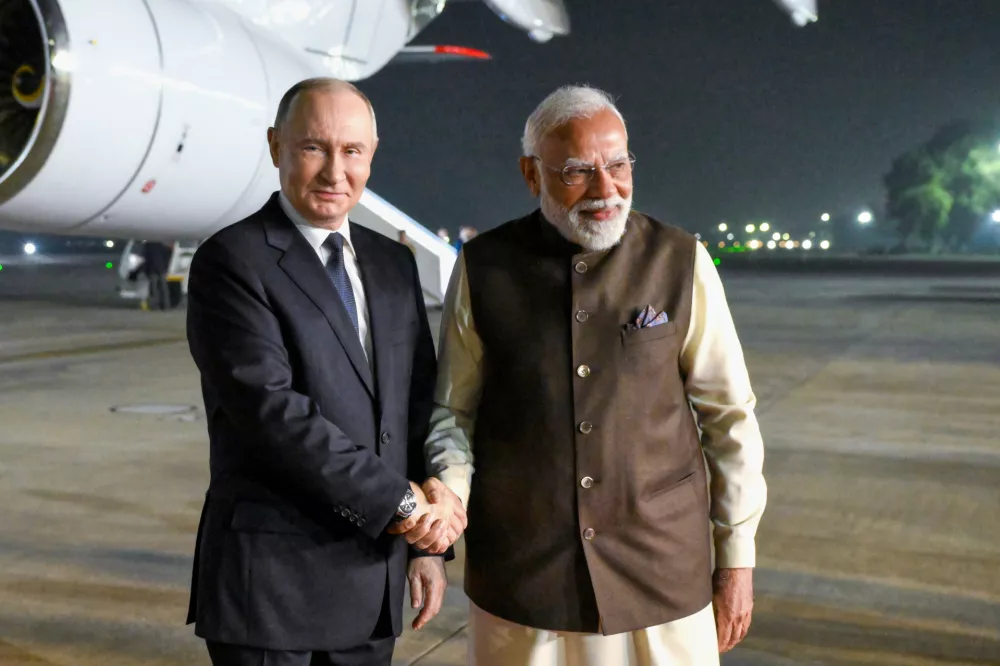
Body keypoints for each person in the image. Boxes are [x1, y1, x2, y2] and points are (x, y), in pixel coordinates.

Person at [424, 85, 767, 665]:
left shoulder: (681, 260)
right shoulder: (484, 268)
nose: (607, 189)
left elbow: (729, 416)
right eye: (578, 172)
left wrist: (736, 556)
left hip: (660, 567)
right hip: (524, 574)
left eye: (619, 165)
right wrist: (448, 498)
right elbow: (454, 411)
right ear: (532, 175)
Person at [185, 77, 466, 666]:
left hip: (374, 585)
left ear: (372, 154)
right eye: (314, 147)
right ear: (274, 146)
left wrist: (427, 552)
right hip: (273, 592)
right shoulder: (233, 260)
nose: (335, 171)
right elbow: (274, 417)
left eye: (352, 151)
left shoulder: (391, 263)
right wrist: (408, 510)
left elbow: (415, 404)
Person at [142, 240, 173, 310]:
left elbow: (145, 259)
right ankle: (166, 306)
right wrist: (166, 267)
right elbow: (167, 256)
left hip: (152, 269)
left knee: (154, 289)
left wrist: (146, 271)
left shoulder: (147, 245)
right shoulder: (162, 244)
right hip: (161, 268)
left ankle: (155, 306)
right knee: (164, 288)